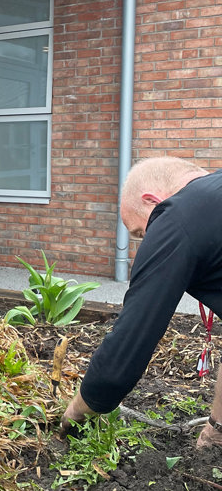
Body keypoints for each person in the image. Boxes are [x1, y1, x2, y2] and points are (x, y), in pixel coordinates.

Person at [59, 156, 222, 449]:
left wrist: (78, 410)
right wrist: (215, 431)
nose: (148, 241)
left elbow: (132, 339)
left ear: (152, 202)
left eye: (142, 233)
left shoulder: (176, 216)